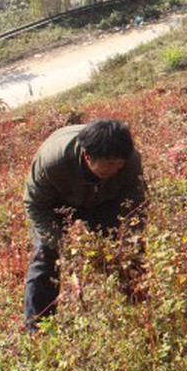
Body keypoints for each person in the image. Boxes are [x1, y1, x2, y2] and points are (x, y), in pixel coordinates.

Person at [24, 119, 147, 330]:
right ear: (87, 156)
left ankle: (140, 312)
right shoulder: (53, 162)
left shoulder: (130, 160)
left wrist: (130, 237)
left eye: (120, 164)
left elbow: (136, 204)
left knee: (128, 253)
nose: (116, 169)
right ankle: (38, 329)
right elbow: (35, 205)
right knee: (46, 259)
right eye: (109, 164)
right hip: (57, 203)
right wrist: (61, 244)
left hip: (106, 201)